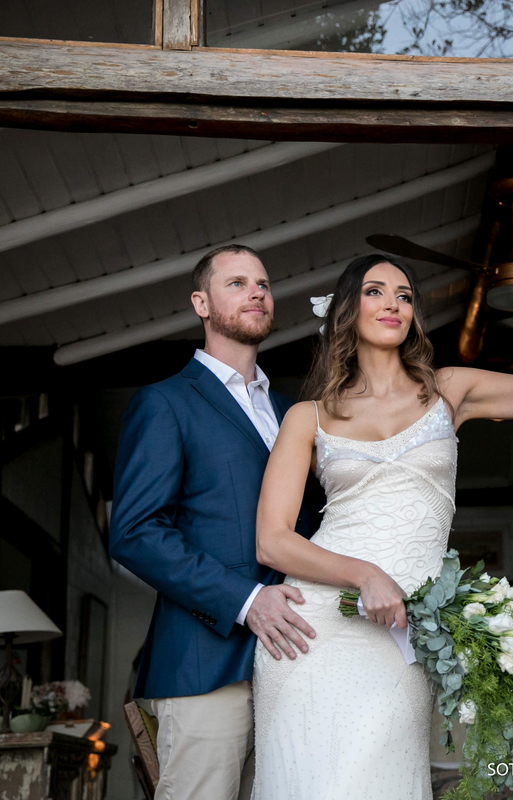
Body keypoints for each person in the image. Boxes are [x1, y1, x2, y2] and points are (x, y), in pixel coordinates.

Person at [251, 199, 513, 799]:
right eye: (376, 291)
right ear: (345, 311)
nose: (393, 303)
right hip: (316, 631)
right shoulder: (307, 417)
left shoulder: (449, 392)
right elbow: (272, 539)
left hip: (400, 634)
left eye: (405, 295)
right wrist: (365, 575)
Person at [110, 245, 323, 800]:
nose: (257, 292)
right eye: (237, 283)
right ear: (201, 303)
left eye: (264, 283)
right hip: (204, 665)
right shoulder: (166, 403)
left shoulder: (290, 409)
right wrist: (246, 600)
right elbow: (135, 532)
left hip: (295, 660)